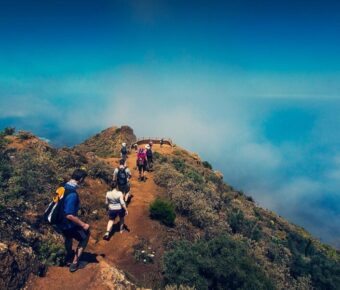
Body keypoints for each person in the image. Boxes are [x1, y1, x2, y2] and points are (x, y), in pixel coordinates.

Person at [58, 169, 90, 273]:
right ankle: (75, 263)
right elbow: (70, 215)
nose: (83, 181)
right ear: (80, 179)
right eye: (83, 179)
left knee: (68, 237)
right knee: (85, 236)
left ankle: (68, 257)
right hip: (68, 223)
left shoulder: (62, 186)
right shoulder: (72, 194)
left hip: (60, 222)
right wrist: (83, 224)